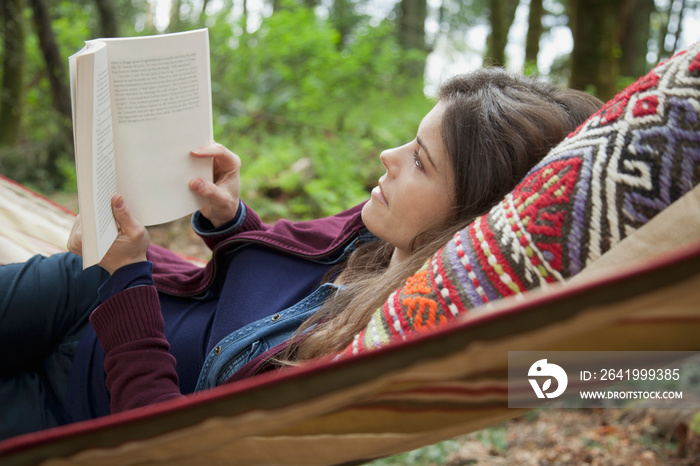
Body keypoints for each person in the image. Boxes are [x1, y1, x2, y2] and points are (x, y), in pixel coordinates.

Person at [0, 68, 603, 440]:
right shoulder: (376, 239)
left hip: (82, 403)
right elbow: (255, 309)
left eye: (420, 160)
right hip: (83, 295)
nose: (388, 158)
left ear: (465, 220)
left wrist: (125, 281)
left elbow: (171, 444)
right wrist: (228, 221)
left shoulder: (375, 351)